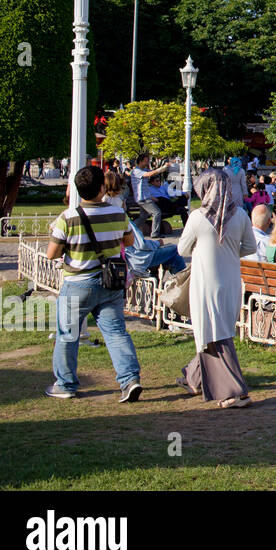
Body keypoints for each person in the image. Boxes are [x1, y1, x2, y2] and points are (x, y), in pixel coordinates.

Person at [44, 166, 143, 402]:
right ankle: (130, 380)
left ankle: (66, 384)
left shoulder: (67, 218)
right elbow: (129, 240)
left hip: (77, 283)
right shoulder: (118, 213)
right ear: (102, 188)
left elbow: (51, 253)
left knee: (67, 334)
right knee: (116, 332)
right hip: (110, 283)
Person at [176, 169, 258, 408]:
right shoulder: (240, 215)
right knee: (218, 330)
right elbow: (250, 246)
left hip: (205, 282)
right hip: (231, 280)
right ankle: (194, 376)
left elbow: (182, 249)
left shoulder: (198, 217)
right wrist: (230, 252)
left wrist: (202, 249)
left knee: (213, 333)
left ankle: (232, 391)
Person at [131, 152, 176, 237]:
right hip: (143, 198)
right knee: (157, 213)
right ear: (140, 161)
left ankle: (129, 229)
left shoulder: (144, 170)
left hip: (144, 197)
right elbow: (149, 174)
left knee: (143, 216)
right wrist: (161, 168)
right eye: (146, 161)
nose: (147, 163)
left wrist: (164, 168)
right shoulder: (136, 171)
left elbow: (153, 172)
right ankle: (155, 234)